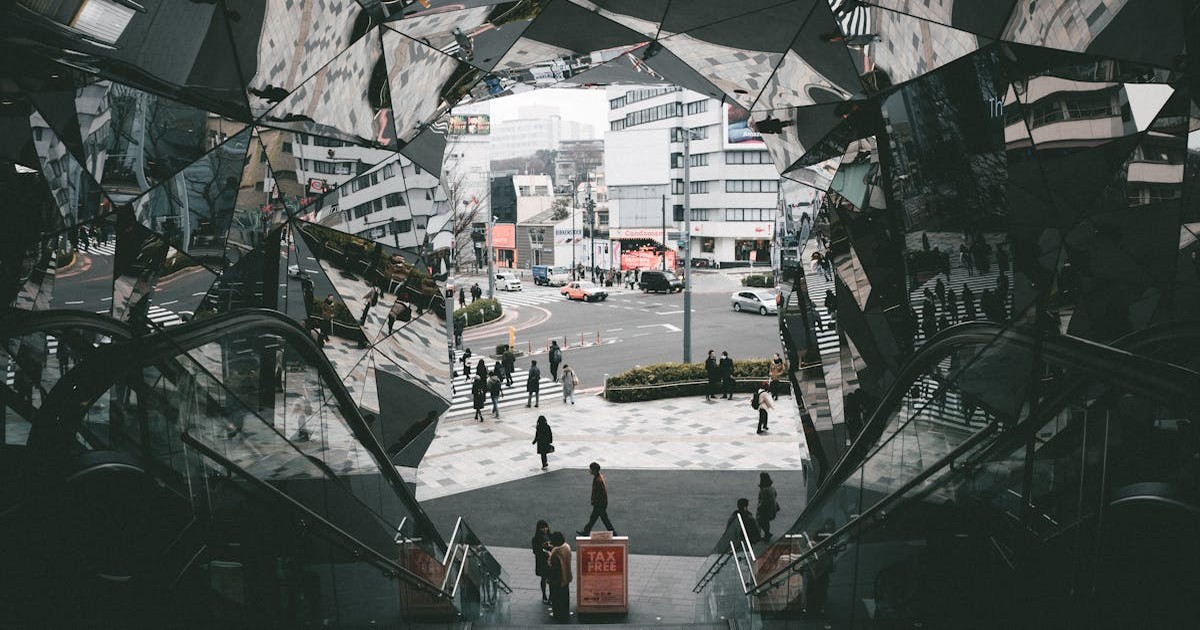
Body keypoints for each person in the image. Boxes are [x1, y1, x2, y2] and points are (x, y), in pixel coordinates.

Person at [577, 462, 615, 536]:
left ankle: (614, 534)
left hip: (599, 504)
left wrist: (595, 502)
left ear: (594, 470)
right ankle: (586, 531)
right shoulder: (598, 477)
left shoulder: (598, 480)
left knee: (602, 520)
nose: (589, 470)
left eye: (590, 469)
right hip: (600, 504)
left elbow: (600, 494)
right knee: (596, 519)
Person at [547, 531, 573, 622]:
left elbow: (553, 567)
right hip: (567, 576)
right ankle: (565, 613)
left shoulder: (556, 553)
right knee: (565, 596)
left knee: (556, 598)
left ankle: (557, 614)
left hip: (558, 580)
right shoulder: (567, 546)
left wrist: (549, 555)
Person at [531, 520, 553, 604]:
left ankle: (551, 597)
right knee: (544, 578)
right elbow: (535, 551)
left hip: (550, 560)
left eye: (545, 527)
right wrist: (544, 550)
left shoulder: (550, 536)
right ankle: (544, 595)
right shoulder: (535, 539)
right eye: (542, 528)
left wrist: (549, 547)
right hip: (542, 561)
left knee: (550, 579)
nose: (544, 529)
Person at [756, 472, 780, 540]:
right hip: (772, 509)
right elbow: (775, 495)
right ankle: (767, 533)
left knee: (760, 520)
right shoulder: (772, 488)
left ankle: (765, 533)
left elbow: (764, 501)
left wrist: (759, 507)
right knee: (766, 521)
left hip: (766, 510)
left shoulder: (764, 490)